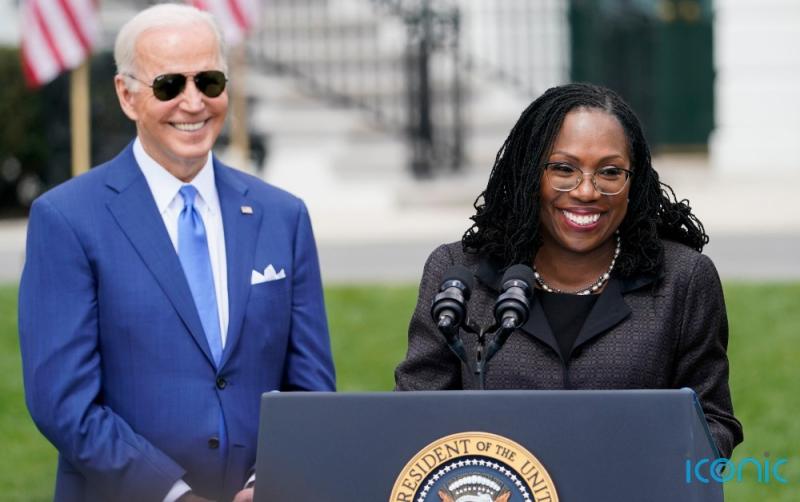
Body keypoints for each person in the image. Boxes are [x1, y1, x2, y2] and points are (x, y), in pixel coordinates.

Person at [18, 4, 335, 502]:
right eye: (169, 85)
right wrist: (174, 495)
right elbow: (63, 404)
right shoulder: (67, 220)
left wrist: (265, 482)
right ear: (127, 95)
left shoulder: (283, 215)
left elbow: (312, 386)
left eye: (209, 81)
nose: (193, 103)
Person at [394, 83, 742, 459]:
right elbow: (413, 415)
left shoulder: (683, 279)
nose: (587, 191)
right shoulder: (458, 274)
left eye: (610, 172)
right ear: (529, 173)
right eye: (564, 168)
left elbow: (713, 420)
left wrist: (654, 466)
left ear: (633, 182)